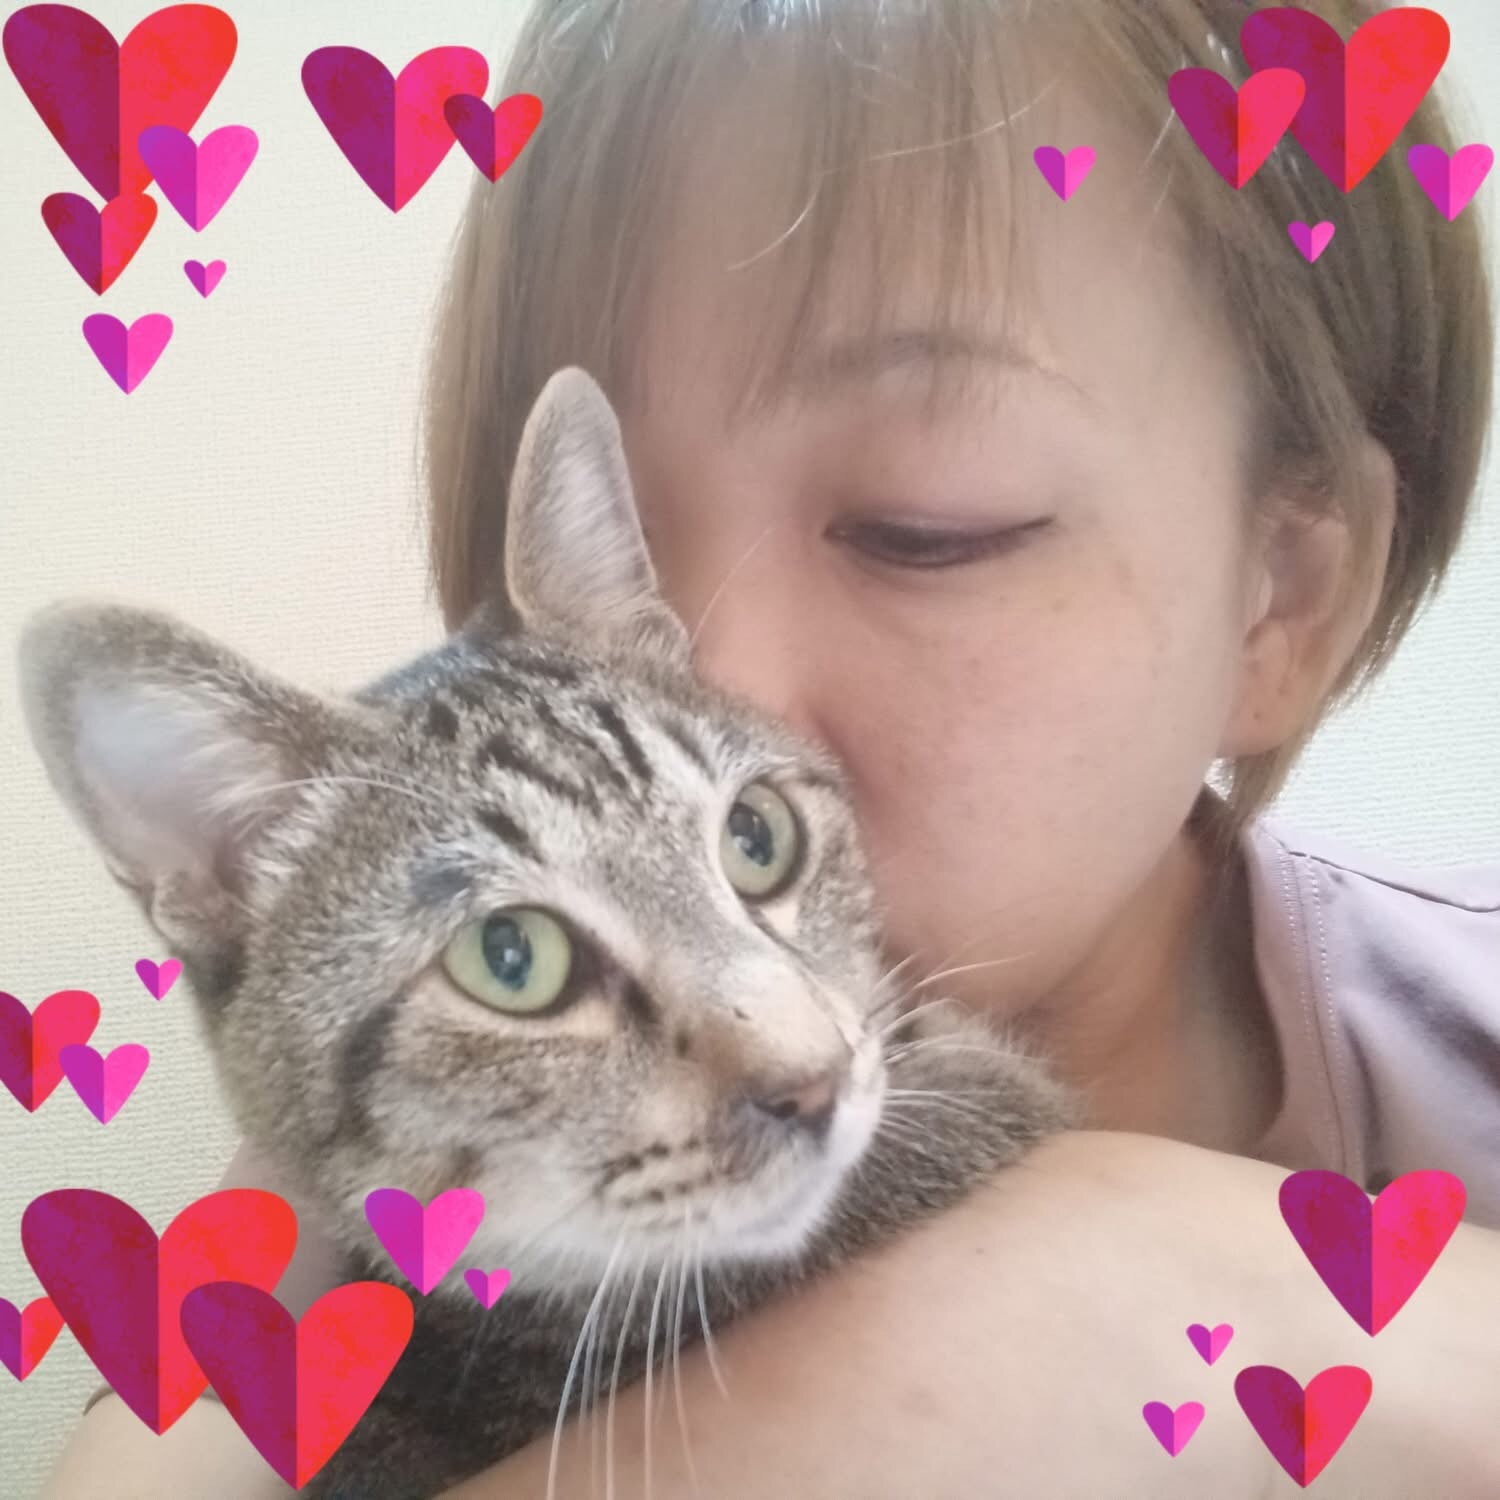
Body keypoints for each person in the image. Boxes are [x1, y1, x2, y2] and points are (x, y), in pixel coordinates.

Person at [43, 1, 1500, 1496]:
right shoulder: (336, 1212)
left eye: (920, 526)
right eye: (604, 565)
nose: (712, 693)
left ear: (1280, 598)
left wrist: (1181, 1293)